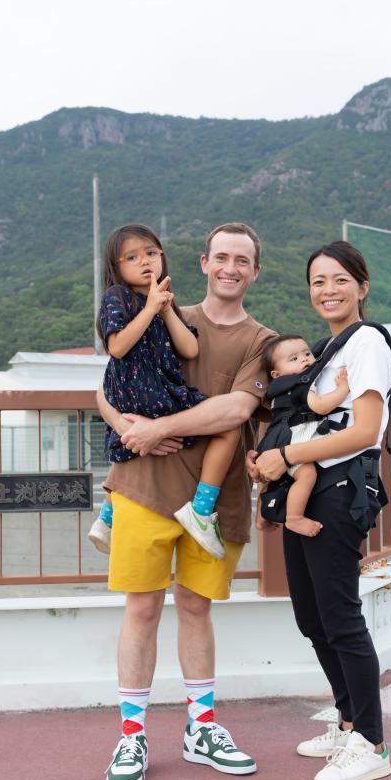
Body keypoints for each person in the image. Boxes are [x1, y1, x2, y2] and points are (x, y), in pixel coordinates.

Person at [96, 222, 276, 780]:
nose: (230, 268)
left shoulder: (263, 342)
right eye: (221, 257)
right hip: (143, 486)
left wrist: (158, 428)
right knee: (141, 610)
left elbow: (235, 412)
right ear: (202, 262)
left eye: (241, 260)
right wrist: (128, 427)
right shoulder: (155, 307)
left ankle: (201, 728)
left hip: (214, 503)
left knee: (197, 609)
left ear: (255, 271)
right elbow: (104, 384)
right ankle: (132, 735)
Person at [248, 240, 391, 780]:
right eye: (318, 281)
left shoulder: (367, 341)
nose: (328, 290)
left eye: (339, 280)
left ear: (362, 286)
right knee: (312, 617)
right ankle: (349, 722)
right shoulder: (325, 349)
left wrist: (286, 456)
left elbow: (364, 431)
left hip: (339, 489)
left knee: (340, 616)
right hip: (306, 491)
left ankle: (372, 743)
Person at [88, 224, 241, 561]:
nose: (144, 261)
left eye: (151, 253)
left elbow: (190, 349)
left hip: (147, 392)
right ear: (115, 266)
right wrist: (149, 309)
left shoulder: (161, 302)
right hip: (143, 390)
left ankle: (106, 517)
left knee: (129, 446)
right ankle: (201, 510)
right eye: (131, 257)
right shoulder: (118, 297)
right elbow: (117, 346)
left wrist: (166, 308)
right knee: (228, 428)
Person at [256, 334, 349, 537]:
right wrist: (343, 389)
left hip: (277, 439)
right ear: (276, 374)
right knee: (307, 475)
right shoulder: (301, 384)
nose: (304, 359)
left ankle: (263, 512)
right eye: (294, 359)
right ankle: (294, 518)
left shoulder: (279, 390)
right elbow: (321, 406)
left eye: (307, 353)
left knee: (279, 479)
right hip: (294, 439)